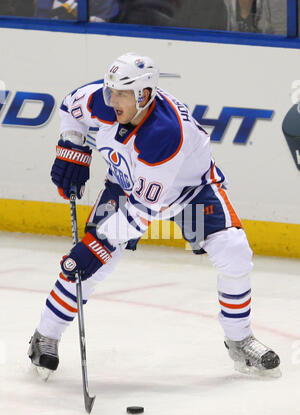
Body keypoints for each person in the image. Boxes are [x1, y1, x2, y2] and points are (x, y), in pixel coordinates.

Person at [28, 52, 281, 378]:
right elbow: (69, 109)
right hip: (124, 186)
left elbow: (144, 211)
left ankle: (240, 340)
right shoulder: (102, 100)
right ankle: (45, 335)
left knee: (234, 252)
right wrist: (73, 147)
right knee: (87, 268)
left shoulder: (163, 133)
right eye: (111, 91)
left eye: (122, 94)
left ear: (144, 95)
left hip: (190, 192)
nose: (112, 100)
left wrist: (97, 243)